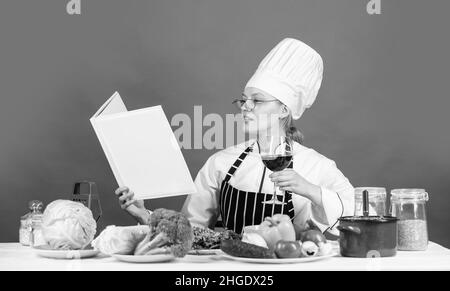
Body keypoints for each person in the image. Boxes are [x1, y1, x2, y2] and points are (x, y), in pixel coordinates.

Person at [116, 38, 354, 237]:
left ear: (284, 110)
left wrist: (311, 190)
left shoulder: (317, 167)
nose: (245, 107)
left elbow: (356, 214)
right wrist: (145, 216)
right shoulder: (221, 163)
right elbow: (190, 231)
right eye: (244, 99)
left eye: (257, 100)